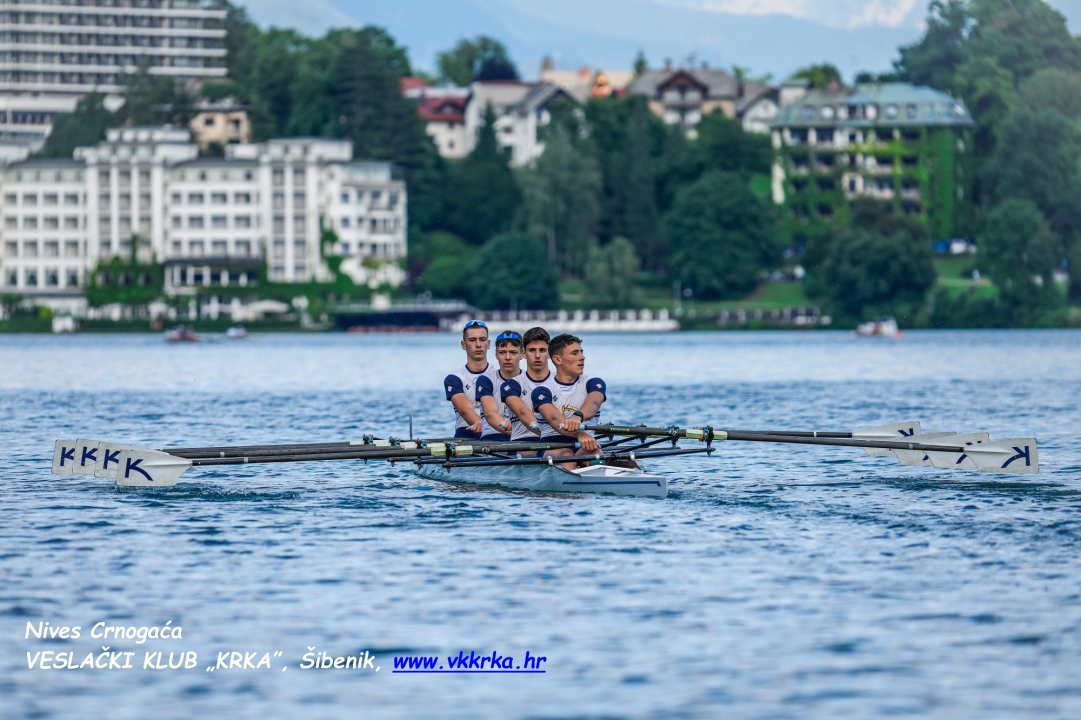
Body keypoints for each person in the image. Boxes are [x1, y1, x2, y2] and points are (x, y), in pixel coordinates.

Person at [527, 331, 602, 459]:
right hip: (551, 446)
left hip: (586, 445)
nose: (582, 357)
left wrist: (578, 416)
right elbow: (555, 418)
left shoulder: (593, 383)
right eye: (575, 353)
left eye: (581, 352)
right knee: (566, 454)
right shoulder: (542, 391)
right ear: (557, 359)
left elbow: (593, 402)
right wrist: (579, 433)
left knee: (594, 452)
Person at [443, 320, 505, 439]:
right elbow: (465, 410)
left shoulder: (502, 373)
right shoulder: (454, 379)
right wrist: (486, 424)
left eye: (482, 340)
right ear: (463, 345)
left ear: (488, 343)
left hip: (499, 433)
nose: (478, 345)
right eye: (472, 340)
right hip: (468, 434)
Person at [476, 330, 540, 441]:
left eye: (513, 352)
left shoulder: (531, 380)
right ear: (496, 354)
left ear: (522, 354)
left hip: (526, 436)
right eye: (502, 352)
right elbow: (491, 414)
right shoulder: (486, 380)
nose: (507, 357)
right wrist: (513, 426)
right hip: (494, 436)